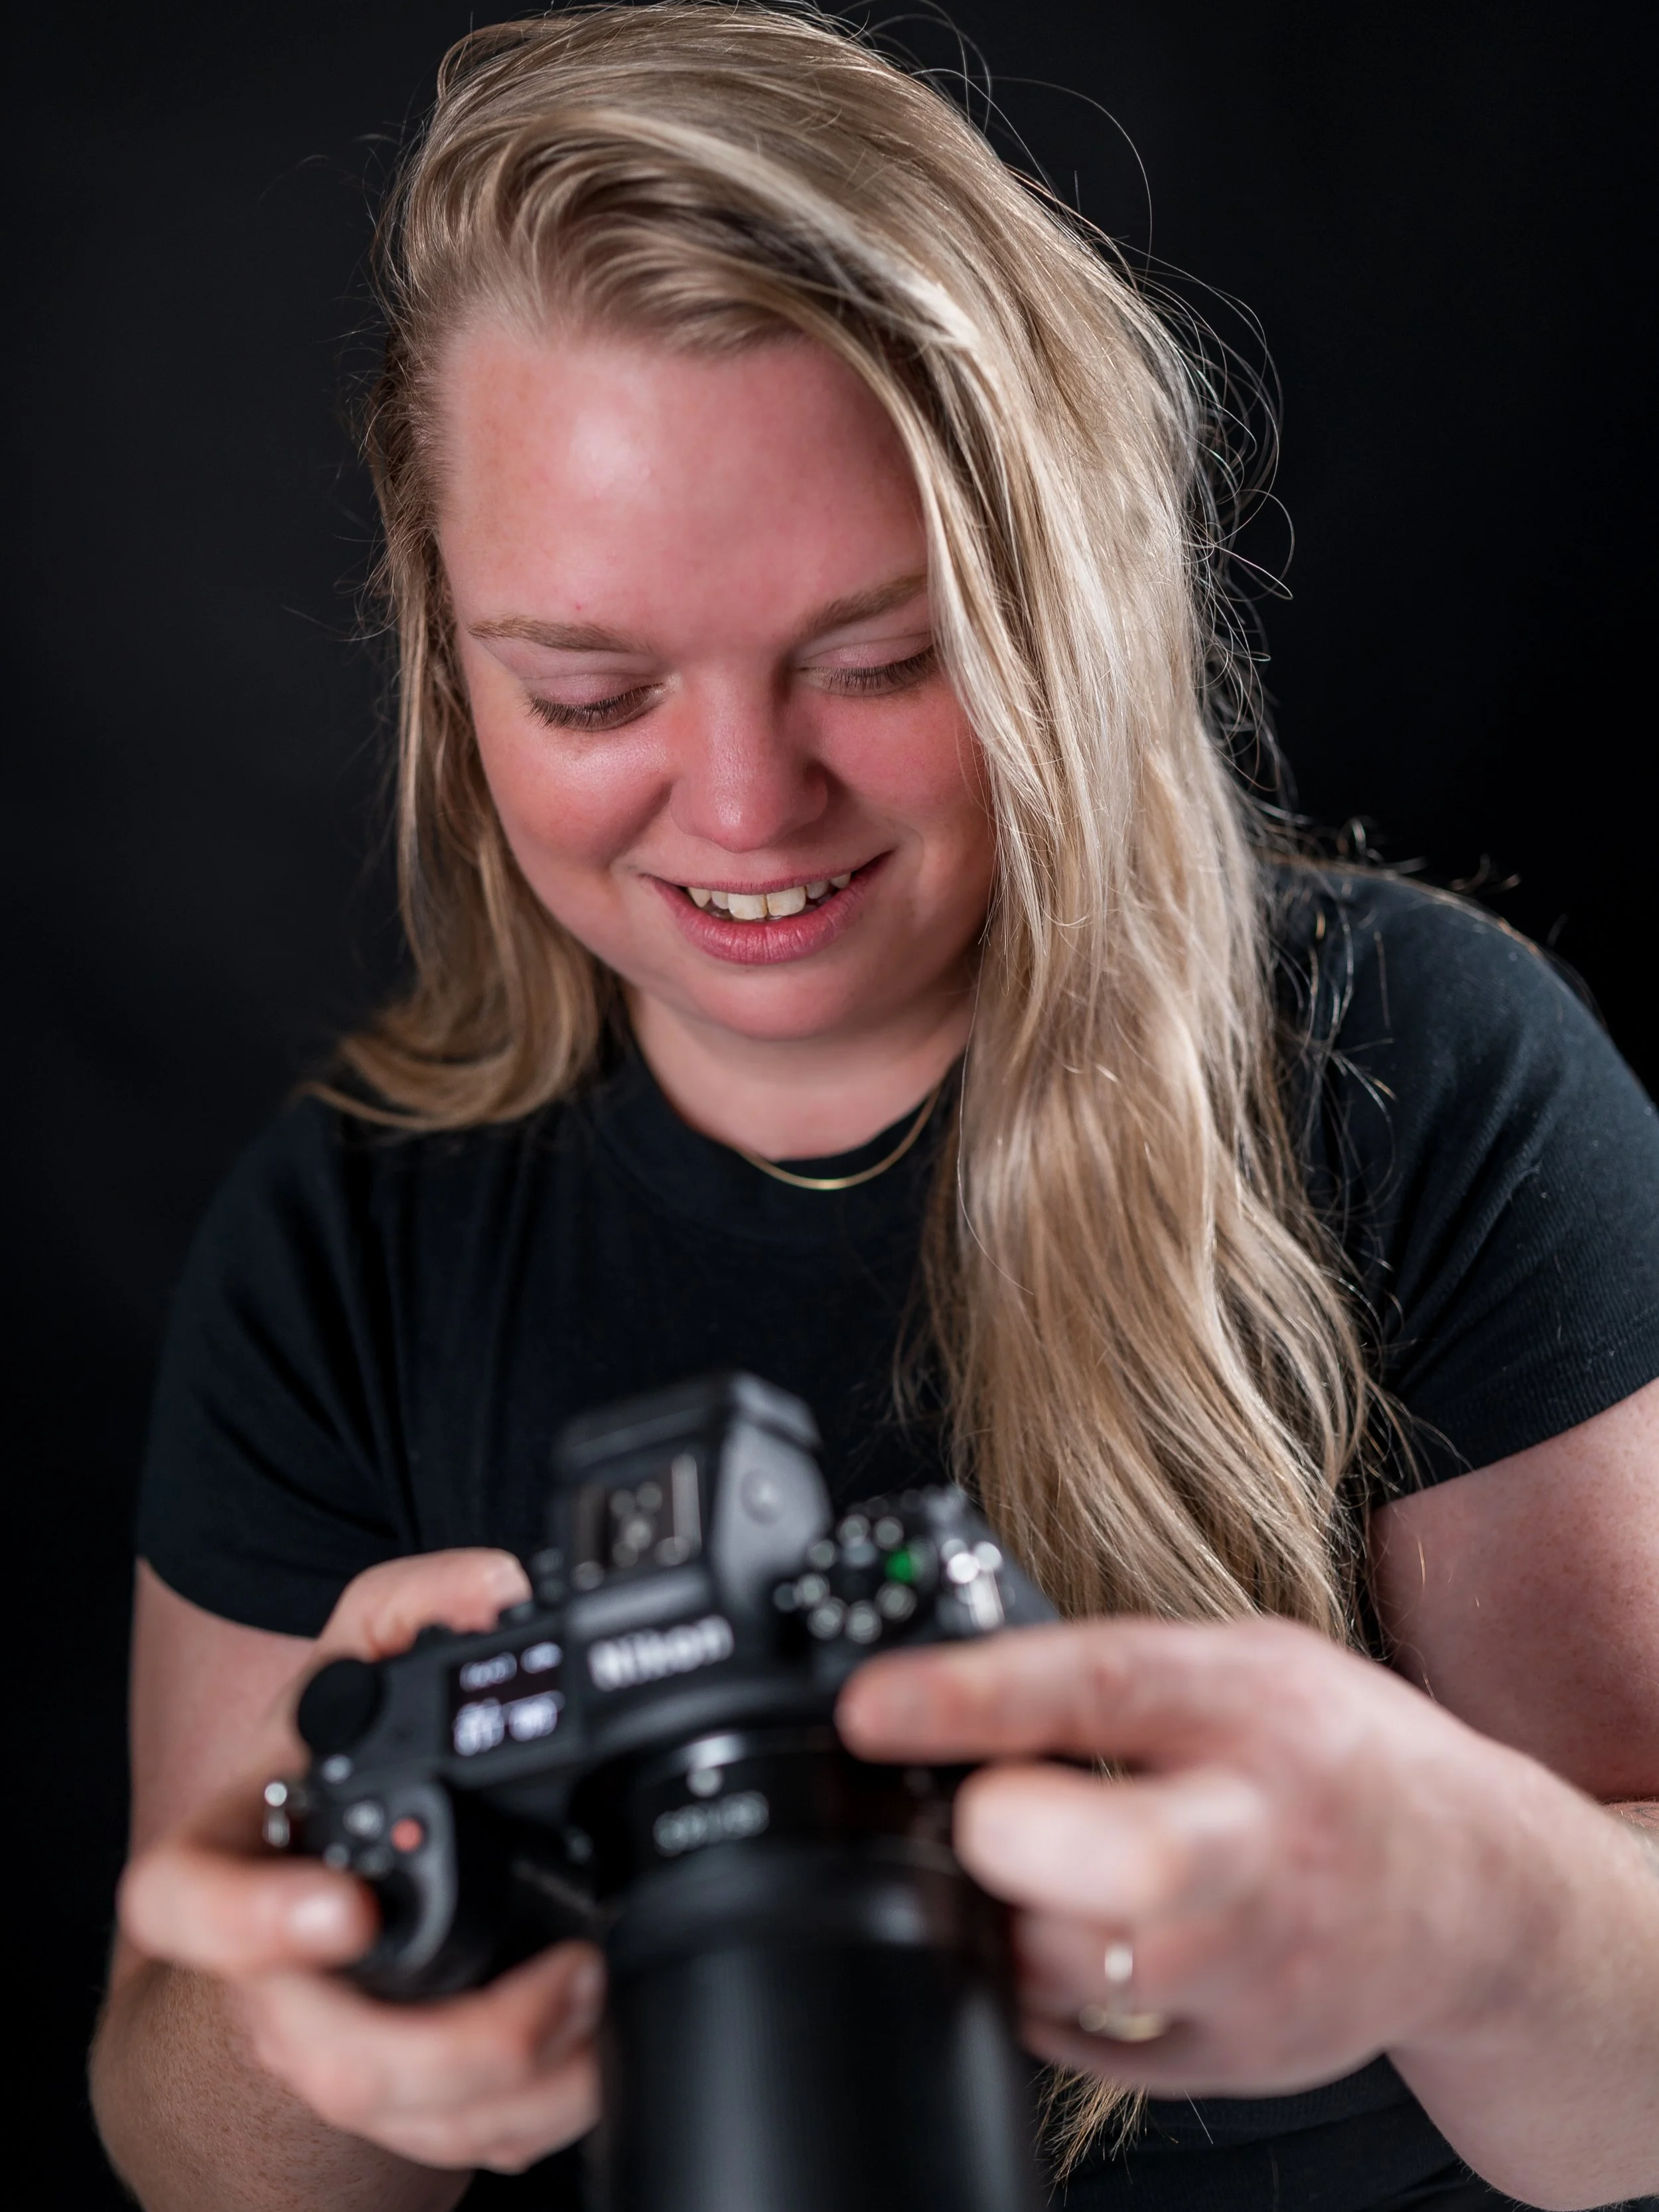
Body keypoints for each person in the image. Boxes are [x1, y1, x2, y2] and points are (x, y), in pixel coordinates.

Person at [88, 8, 1659, 2210]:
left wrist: (1475, 1905)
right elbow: (198, 2156)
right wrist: (330, 1985)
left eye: (874, 656)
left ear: (1054, 601)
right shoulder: (344, 1239)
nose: (744, 802)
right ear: (444, 655)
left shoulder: (1422, 1073)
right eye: (593, 688)